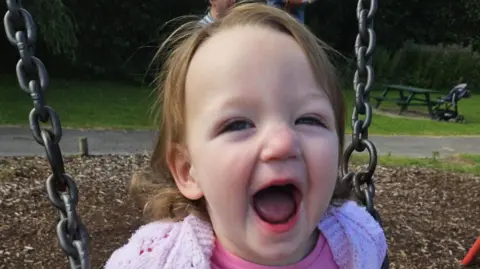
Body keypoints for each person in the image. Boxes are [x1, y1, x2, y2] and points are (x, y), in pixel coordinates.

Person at [105, 2, 387, 269]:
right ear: (188, 171)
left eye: (309, 119)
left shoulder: (359, 243)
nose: (282, 143)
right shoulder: (156, 261)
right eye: (238, 124)